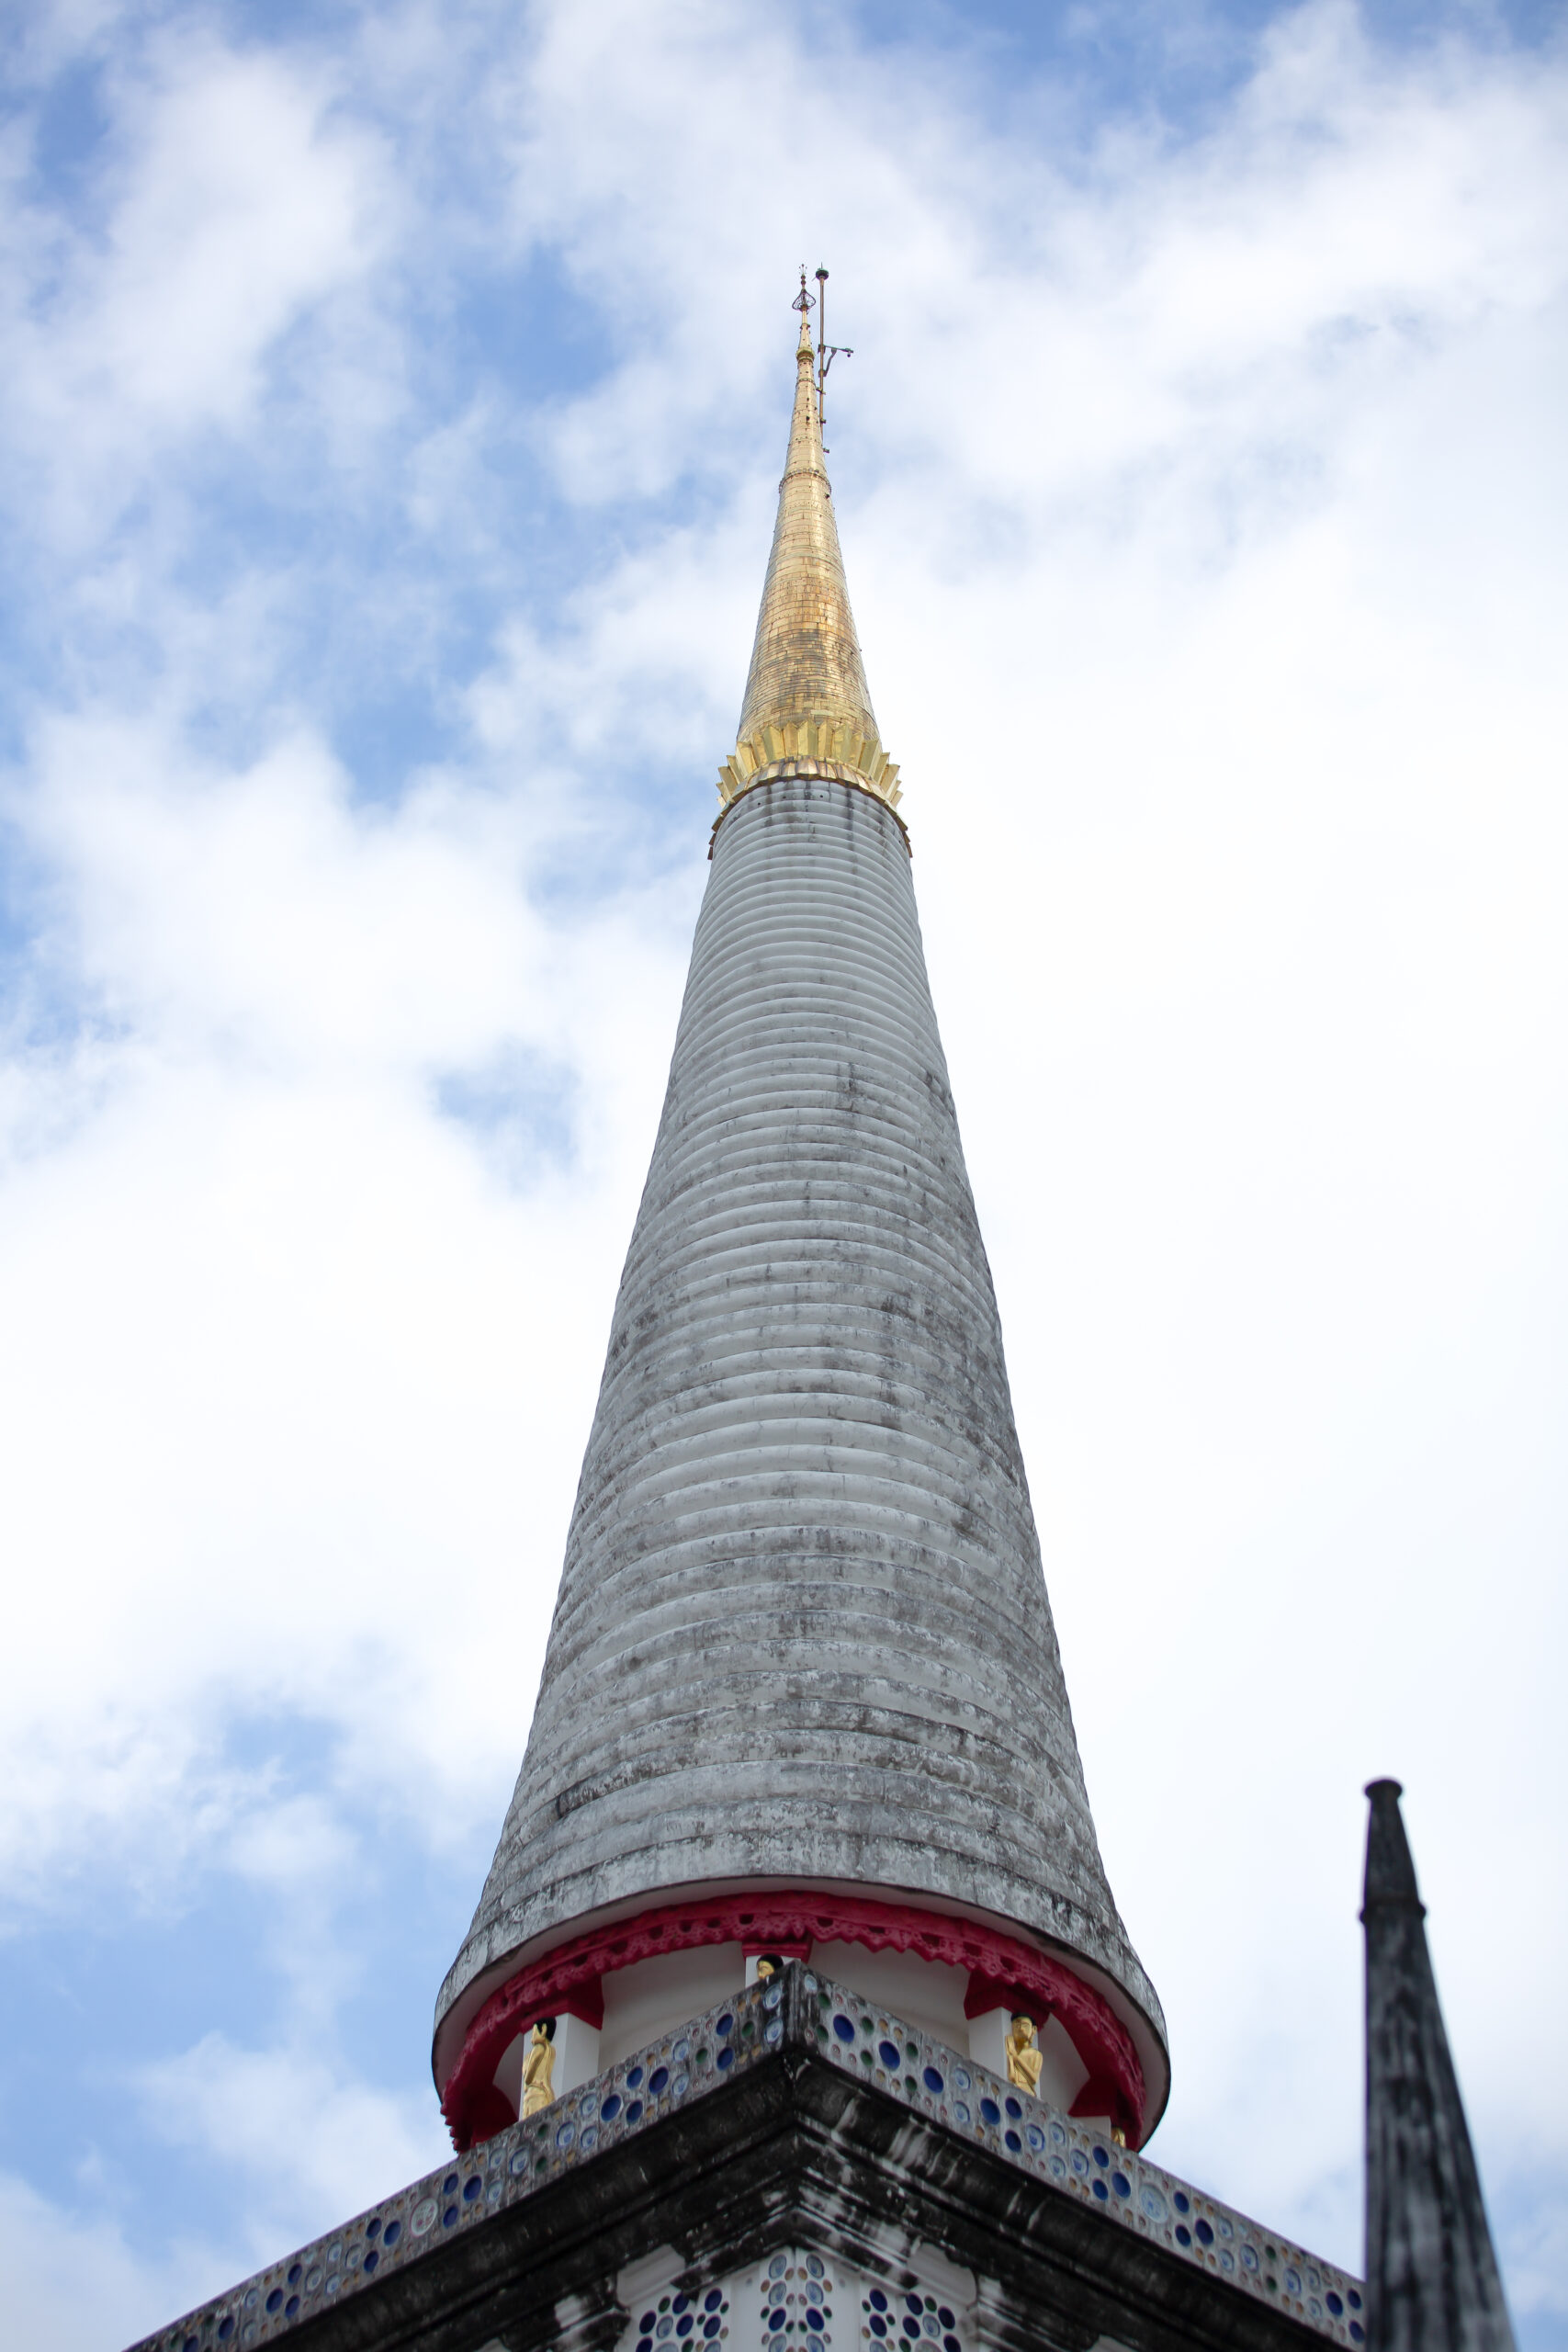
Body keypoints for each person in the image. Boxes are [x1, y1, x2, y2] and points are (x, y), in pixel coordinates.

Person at [521, 2017, 556, 2115]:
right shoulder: (550, 2050)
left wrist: (527, 2062)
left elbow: (527, 2079)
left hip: (535, 2095)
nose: (531, 2038)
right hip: (544, 2093)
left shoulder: (539, 2048)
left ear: (543, 2029)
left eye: (533, 2032)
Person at [1004, 2013, 1043, 2097]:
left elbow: (1034, 2079)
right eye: (1016, 2026)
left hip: (1028, 2093)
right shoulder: (1013, 2051)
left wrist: (1016, 2057)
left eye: (1025, 2025)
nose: (1021, 2029)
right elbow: (1012, 2077)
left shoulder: (1036, 2054)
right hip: (1014, 2091)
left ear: (1034, 2029)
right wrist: (1010, 2056)